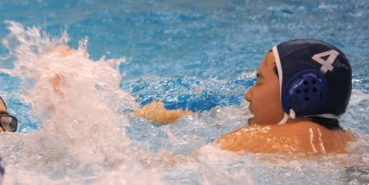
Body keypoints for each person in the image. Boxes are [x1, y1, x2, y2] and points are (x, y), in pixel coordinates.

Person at [136, 39, 354, 153]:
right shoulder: (353, 143)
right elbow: (219, 119)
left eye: (259, 81)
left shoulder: (253, 140)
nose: (248, 94)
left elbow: (167, 169)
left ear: (299, 92)